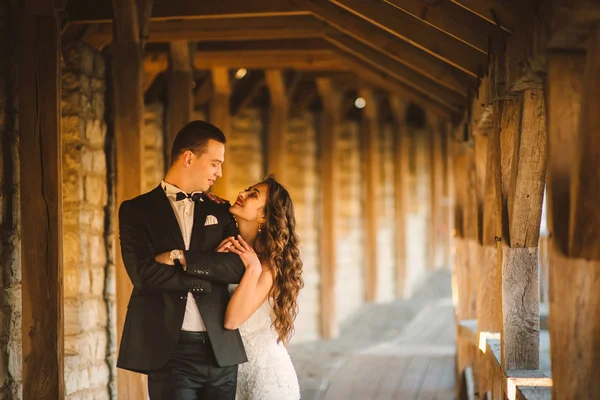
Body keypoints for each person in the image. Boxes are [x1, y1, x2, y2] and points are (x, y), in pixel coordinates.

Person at [117, 120, 247, 400]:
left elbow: (236, 267)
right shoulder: (136, 211)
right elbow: (143, 275)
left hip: (221, 351)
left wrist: (181, 258)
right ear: (189, 157)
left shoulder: (221, 210)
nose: (219, 173)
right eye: (214, 163)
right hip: (171, 352)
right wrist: (209, 268)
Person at [216, 176, 303, 400]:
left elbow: (232, 320)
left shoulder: (268, 265)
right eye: (246, 190)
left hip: (266, 379)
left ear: (264, 216)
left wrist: (253, 268)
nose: (241, 194)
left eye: (252, 195)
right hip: (233, 375)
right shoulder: (230, 247)